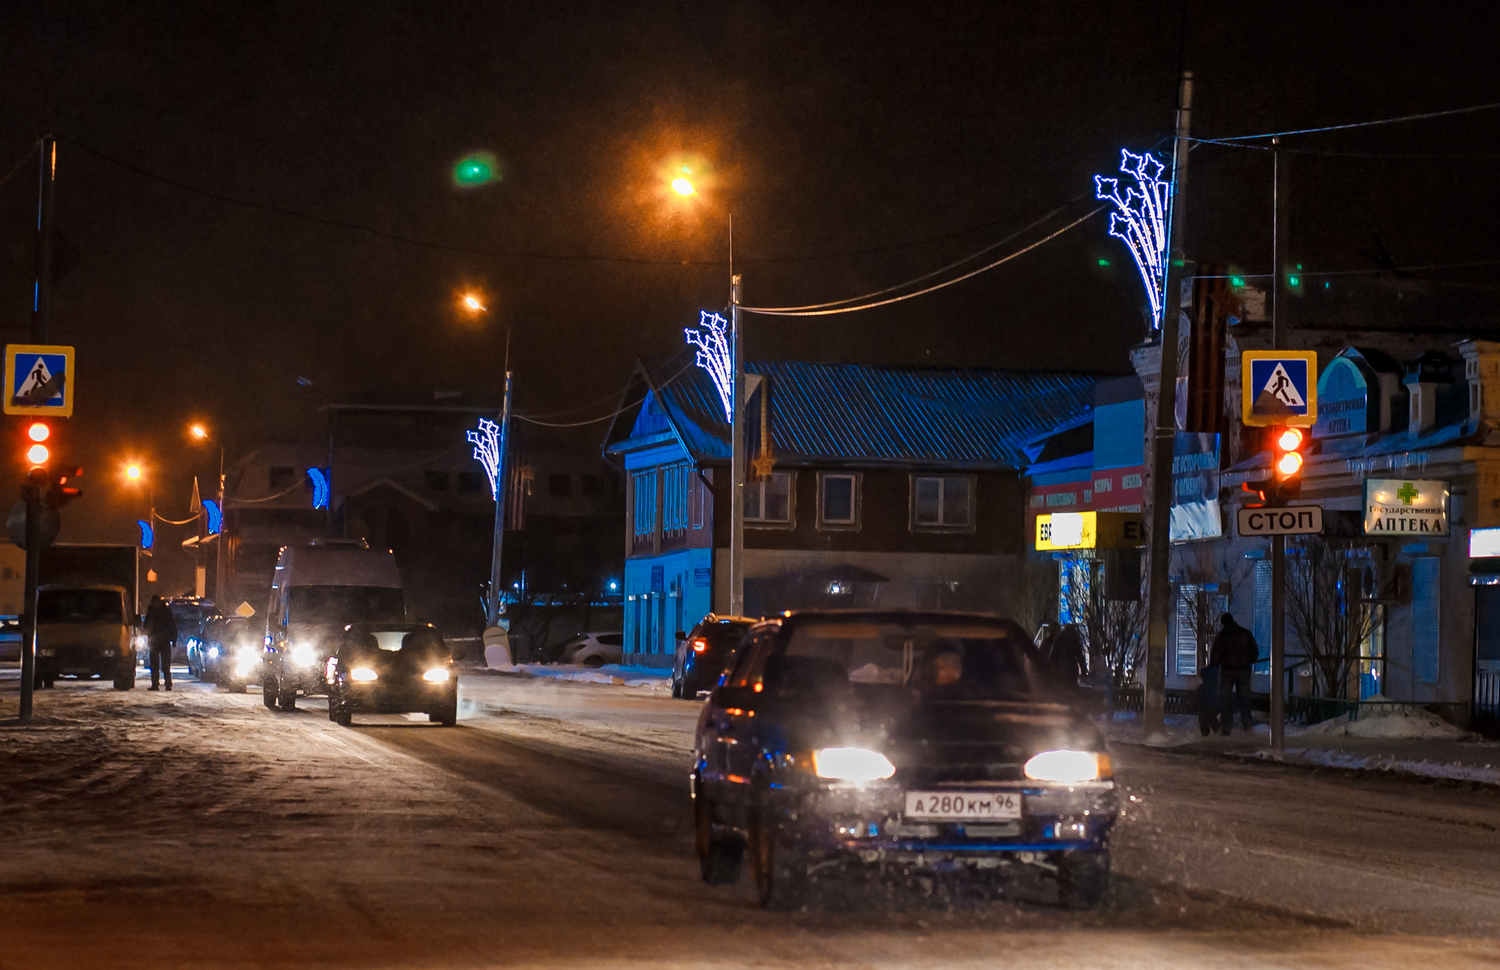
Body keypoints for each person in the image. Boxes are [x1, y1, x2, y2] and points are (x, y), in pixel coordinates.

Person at [1209, 612, 1259, 735]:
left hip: (1227, 671)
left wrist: (1214, 668)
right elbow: (1254, 651)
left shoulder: (1222, 636)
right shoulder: (1245, 633)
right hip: (1244, 670)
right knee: (1244, 698)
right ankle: (1247, 723)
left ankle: (1226, 726)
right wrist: (1247, 660)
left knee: (1226, 699)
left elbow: (1216, 655)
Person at [143, 595, 178, 692]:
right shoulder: (158, 611)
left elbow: (172, 626)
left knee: (165, 665)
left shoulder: (164, 611)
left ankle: (167, 684)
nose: (155, 604)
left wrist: (173, 639)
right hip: (157, 641)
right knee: (155, 664)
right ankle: (156, 684)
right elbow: (147, 625)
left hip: (162, 641)